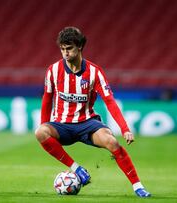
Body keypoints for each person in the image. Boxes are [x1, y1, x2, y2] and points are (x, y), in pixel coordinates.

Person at [35, 27, 151, 198]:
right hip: (62, 125)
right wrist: (44, 123)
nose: (65, 53)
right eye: (62, 49)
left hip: (87, 123)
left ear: (79, 47)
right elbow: (47, 99)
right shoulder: (53, 70)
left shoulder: (94, 72)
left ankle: (138, 186)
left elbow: (109, 101)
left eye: (69, 48)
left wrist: (125, 128)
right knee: (40, 132)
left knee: (112, 142)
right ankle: (77, 169)